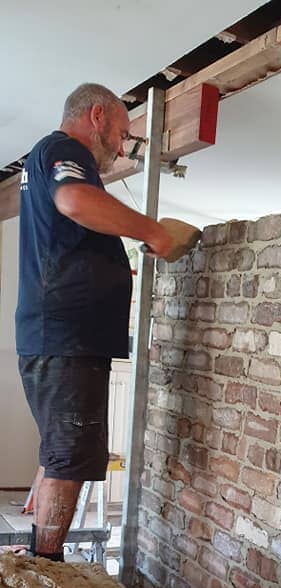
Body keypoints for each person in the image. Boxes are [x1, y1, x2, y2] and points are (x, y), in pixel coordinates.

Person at [15, 82, 174, 561]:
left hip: (61, 336)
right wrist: (153, 230)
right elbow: (75, 203)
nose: (122, 147)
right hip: (67, 337)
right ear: (98, 116)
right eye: (123, 134)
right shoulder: (65, 150)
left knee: (63, 450)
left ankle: (42, 561)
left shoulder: (47, 157)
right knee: (69, 455)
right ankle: (47, 571)